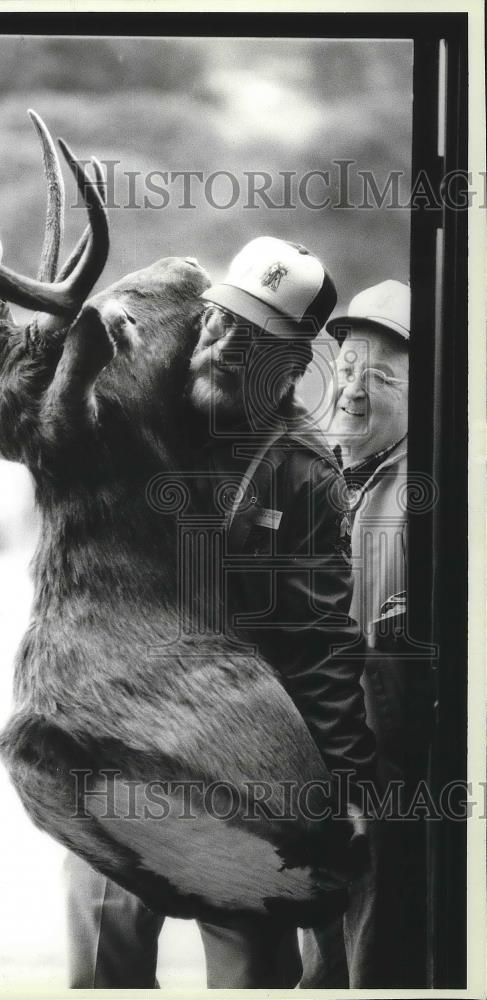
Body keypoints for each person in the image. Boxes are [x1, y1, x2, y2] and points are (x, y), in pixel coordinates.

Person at [64, 237, 376, 988]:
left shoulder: (303, 474)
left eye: (257, 339)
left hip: (244, 777)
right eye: (221, 322)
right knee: (104, 967)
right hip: (118, 754)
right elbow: (26, 400)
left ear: (295, 364)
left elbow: (318, 643)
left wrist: (349, 784)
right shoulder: (134, 409)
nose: (227, 346)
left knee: (248, 977)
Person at [299, 280, 432, 987]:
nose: (351, 389)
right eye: (346, 369)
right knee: (322, 954)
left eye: (378, 377)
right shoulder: (323, 471)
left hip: (383, 775)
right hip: (316, 762)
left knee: (374, 959)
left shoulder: (427, 491)